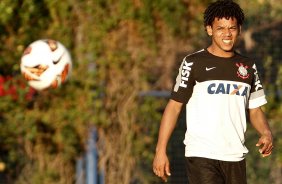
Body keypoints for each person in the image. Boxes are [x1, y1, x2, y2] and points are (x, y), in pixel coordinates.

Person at [152, 0, 274, 183]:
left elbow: (255, 110)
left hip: (235, 156)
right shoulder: (193, 62)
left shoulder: (248, 66)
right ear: (209, 29)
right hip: (202, 153)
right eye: (220, 28)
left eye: (232, 28)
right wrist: (160, 150)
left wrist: (266, 132)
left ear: (239, 30)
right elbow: (174, 107)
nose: (227, 34)